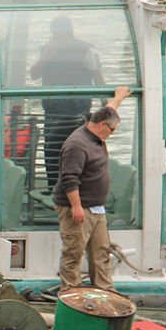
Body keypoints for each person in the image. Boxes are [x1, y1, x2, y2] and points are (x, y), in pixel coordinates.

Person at [52, 86, 132, 292]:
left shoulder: (97, 130)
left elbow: (109, 110)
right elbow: (69, 178)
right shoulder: (77, 144)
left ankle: (105, 291)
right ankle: (71, 294)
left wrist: (118, 98)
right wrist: (76, 207)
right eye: (112, 129)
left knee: (101, 251)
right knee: (73, 253)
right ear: (103, 125)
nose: (112, 134)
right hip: (78, 208)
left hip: (96, 208)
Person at [30, 15, 105, 191]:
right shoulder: (46, 50)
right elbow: (34, 74)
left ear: (69, 31)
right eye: (55, 32)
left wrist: (105, 103)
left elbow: (97, 76)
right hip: (53, 110)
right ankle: (54, 189)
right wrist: (45, 57)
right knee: (52, 150)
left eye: (60, 32)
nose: (57, 36)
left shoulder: (85, 50)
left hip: (77, 109)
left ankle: (79, 189)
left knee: (78, 149)